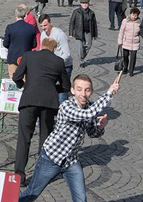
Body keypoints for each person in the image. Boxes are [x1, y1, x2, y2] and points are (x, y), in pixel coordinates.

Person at [19, 74, 119, 202]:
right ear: (72, 90)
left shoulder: (90, 106)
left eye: (87, 90)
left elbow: (92, 133)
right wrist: (109, 93)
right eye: (79, 89)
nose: (83, 94)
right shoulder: (66, 107)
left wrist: (99, 126)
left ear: (91, 91)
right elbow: (87, 114)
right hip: (51, 158)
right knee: (32, 193)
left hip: (71, 160)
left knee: (81, 199)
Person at [13, 38, 71, 186]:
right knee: (45, 139)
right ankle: (42, 173)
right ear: (54, 49)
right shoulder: (58, 62)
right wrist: (52, 88)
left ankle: (19, 175)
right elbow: (66, 86)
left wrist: (24, 85)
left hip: (29, 100)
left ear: (41, 46)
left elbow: (16, 76)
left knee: (24, 138)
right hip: (48, 103)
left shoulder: (28, 56)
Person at [39, 14, 73, 102]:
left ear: (50, 23)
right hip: (51, 67)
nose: (43, 28)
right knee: (50, 89)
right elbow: (42, 50)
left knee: (62, 91)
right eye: (41, 26)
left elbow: (67, 54)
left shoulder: (59, 34)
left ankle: (62, 109)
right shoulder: (43, 34)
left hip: (65, 66)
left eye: (45, 25)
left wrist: (56, 62)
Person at [3, 6, 36, 78]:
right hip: (26, 57)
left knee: (12, 78)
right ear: (25, 15)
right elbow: (34, 44)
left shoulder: (10, 27)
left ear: (16, 15)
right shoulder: (31, 28)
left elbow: (5, 43)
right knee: (25, 79)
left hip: (13, 56)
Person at [69, 0, 98, 68]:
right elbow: (71, 23)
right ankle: (81, 61)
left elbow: (94, 24)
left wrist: (95, 34)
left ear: (88, 4)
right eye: (83, 3)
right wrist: (71, 33)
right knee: (80, 47)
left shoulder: (91, 13)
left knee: (89, 45)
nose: (84, 5)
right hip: (78, 31)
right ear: (80, 4)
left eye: (86, 3)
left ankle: (81, 55)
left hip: (88, 31)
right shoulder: (76, 12)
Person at [117, 8, 141, 77]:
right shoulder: (125, 21)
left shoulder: (139, 22)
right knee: (125, 56)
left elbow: (142, 31)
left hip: (135, 42)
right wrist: (120, 41)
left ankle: (131, 70)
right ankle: (125, 67)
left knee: (133, 57)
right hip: (126, 41)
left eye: (135, 15)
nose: (134, 17)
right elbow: (121, 31)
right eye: (133, 15)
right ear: (130, 14)